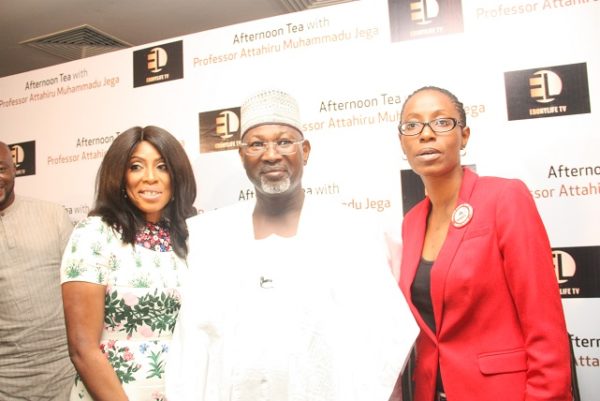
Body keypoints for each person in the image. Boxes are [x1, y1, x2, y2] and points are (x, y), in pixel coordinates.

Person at [165, 89, 418, 401]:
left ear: (306, 151)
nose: (271, 154)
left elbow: (388, 334)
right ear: (242, 154)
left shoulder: (351, 231)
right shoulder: (212, 237)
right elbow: (191, 347)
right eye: (257, 144)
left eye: (284, 141)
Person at [396, 86, 572, 401]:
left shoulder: (504, 198)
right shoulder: (411, 223)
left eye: (441, 122)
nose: (426, 134)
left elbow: (543, 323)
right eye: (412, 125)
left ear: (464, 136)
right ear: (402, 142)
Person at [60, 126, 197, 401]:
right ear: (120, 177)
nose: (150, 178)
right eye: (136, 167)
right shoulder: (95, 234)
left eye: (162, 166)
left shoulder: (192, 235)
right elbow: (82, 348)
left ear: (177, 175)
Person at [0, 141, 75, 400]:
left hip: (64, 370)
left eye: (1, 168)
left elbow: (80, 295)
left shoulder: (52, 215)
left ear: (14, 169)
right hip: (6, 380)